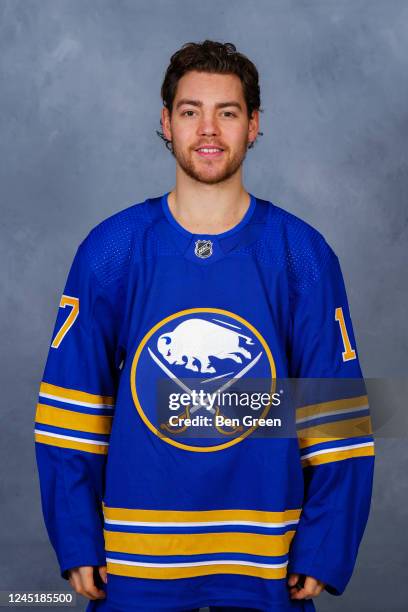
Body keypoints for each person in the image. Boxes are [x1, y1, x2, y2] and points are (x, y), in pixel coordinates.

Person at [34, 40, 375, 611]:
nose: (208, 129)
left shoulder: (302, 256)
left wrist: (323, 545)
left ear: (254, 125)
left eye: (228, 112)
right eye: (191, 111)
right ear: (166, 123)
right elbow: (71, 406)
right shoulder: (111, 251)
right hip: (135, 565)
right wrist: (75, 535)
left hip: (267, 564)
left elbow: (337, 413)